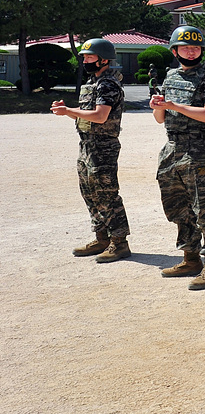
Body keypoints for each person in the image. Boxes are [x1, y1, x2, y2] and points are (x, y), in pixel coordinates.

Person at [150, 25, 205, 290]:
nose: (191, 51)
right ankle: (190, 257)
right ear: (174, 50)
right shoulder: (170, 76)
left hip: (200, 150)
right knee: (177, 207)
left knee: (203, 209)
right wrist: (158, 108)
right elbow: (161, 119)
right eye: (185, 47)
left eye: (195, 47)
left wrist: (173, 106)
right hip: (172, 148)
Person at [51, 38, 131, 263]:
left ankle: (119, 242)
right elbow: (88, 114)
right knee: (89, 191)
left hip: (103, 146)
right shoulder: (91, 83)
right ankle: (101, 236)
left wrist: (69, 111)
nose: (85, 60)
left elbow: (100, 115)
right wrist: (67, 110)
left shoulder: (107, 84)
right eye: (84, 57)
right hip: (87, 144)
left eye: (90, 57)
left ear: (104, 60)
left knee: (106, 192)